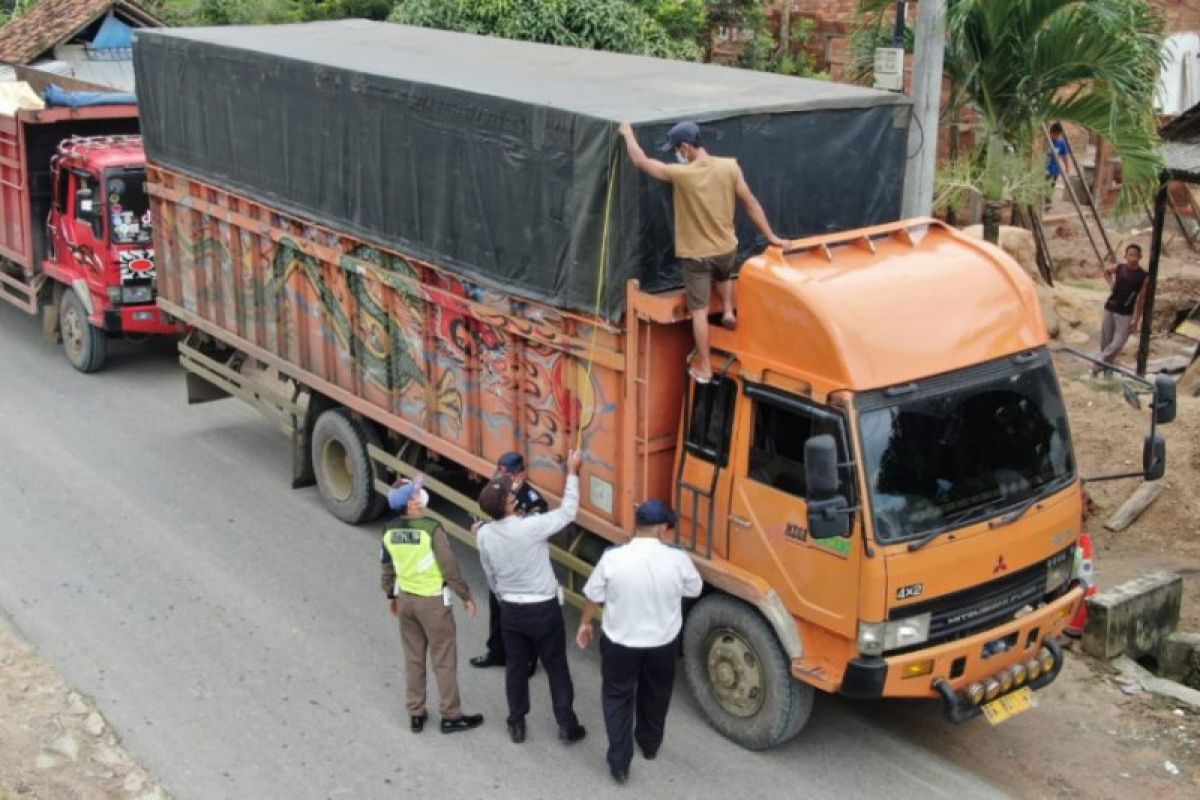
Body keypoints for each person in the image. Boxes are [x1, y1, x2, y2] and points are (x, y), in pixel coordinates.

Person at [618, 119, 786, 384]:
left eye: (676, 149)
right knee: (724, 274)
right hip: (726, 249)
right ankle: (729, 311)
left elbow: (641, 161)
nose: (677, 153)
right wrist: (772, 236)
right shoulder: (730, 166)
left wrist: (628, 134)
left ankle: (706, 368)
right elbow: (751, 202)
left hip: (697, 257)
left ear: (686, 147)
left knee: (699, 312)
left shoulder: (682, 174)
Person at [576, 499, 702, 785]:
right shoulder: (677, 558)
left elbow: (593, 595)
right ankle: (649, 745)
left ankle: (620, 764)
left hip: (620, 642)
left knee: (617, 698)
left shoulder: (613, 557)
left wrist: (585, 623)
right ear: (660, 529)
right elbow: (694, 587)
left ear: (638, 525)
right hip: (662, 644)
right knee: (656, 694)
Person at [476, 449, 587, 746]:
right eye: (510, 498)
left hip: (511, 610)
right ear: (507, 506)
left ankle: (516, 723)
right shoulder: (530, 528)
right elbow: (568, 512)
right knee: (556, 667)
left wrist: (502, 598)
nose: (514, 497)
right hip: (543, 610)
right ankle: (566, 724)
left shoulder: (484, 534)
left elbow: (490, 574)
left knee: (515, 668)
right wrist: (573, 472)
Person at [380, 477, 483, 734]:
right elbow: (449, 566)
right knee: (444, 659)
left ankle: (416, 713)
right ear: (412, 503)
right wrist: (466, 596)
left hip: (406, 601)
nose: (421, 495)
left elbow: (387, 567)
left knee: (413, 658)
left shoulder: (389, 531)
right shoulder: (431, 529)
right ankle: (451, 715)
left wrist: (391, 597)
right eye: (416, 493)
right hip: (432, 604)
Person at [471, 451, 548, 672]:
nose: (504, 479)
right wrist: (483, 528)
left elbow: (529, 531)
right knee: (497, 610)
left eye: (509, 476)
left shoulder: (534, 501)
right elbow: (496, 519)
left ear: (521, 475)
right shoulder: (498, 490)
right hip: (501, 565)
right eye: (501, 473)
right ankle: (496, 652)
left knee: (524, 617)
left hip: (524, 568)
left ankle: (528, 660)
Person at [1093, 243, 1149, 374]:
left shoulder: (1143, 276)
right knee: (1106, 341)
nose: (1133, 258)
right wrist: (1112, 284)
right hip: (1110, 308)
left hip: (1125, 313)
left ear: (1140, 257)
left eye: (1136, 255)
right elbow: (1106, 271)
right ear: (1125, 256)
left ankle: (1099, 361)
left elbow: (1141, 299)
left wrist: (1136, 320)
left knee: (1119, 342)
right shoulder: (1119, 268)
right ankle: (1106, 371)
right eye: (1130, 255)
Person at [1046, 122, 1070, 206]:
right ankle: (1045, 201)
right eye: (1054, 134)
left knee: (1051, 186)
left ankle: (1047, 202)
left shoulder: (1061, 143)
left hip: (1055, 170)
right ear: (1051, 132)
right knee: (1043, 186)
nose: (1056, 136)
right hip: (1044, 169)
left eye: (1058, 134)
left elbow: (1065, 156)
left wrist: (1067, 168)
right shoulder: (1046, 141)